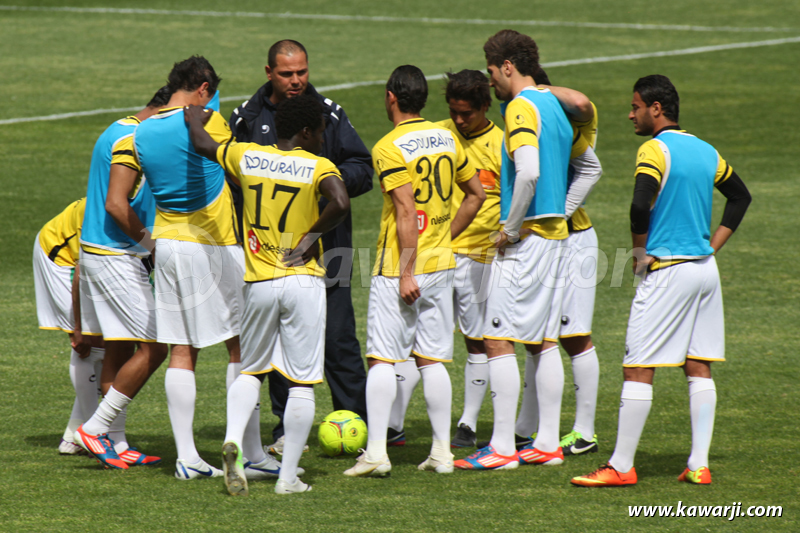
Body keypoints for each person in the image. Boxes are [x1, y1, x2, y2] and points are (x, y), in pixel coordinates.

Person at [572, 75, 751, 487]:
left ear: (656, 108)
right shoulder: (707, 150)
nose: (630, 113)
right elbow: (740, 197)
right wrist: (712, 245)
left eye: (635, 106)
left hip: (668, 271)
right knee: (698, 366)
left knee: (638, 369)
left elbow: (639, 204)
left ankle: (620, 467)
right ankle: (698, 464)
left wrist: (638, 254)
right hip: (705, 271)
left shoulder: (654, 149)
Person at [186, 94, 351, 495]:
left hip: (258, 282)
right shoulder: (318, 165)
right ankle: (289, 477)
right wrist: (312, 236)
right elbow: (341, 201)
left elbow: (205, 145)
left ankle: (233, 439)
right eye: (322, 131)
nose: (324, 138)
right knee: (301, 383)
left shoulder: (247, 156)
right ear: (307, 131)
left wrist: (194, 118)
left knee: (250, 370)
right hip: (302, 280)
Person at [455, 30, 601, 471]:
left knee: (497, 339)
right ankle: (549, 444)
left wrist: (510, 228)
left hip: (529, 240)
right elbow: (590, 166)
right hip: (557, 236)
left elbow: (529, 173)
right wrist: (560, 210)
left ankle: (501, 448)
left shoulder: (520, 107)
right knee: (542, 342)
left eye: (490, 70)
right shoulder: (554, 107)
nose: (490, 81)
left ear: (507, 66)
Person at [110, 56, 260, 480]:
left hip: (169, 247)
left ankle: (187, 459)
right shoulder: (210, 122)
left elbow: (117, 200)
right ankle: (247, 449)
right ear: (204, 88)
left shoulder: (137, 134)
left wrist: (149, 244)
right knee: (240, 347)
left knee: (181, 350)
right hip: (215, 244)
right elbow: (238, 170)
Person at [229, 40, 372, 454]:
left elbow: (362, 168)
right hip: (269, 252)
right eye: (288, 74)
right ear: (269, 72)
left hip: (333, 246)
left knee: (340, 336)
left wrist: (323, 188)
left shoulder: (329, 112)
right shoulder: (246, 117)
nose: (297, 81)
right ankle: (282, 433)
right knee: (277, 344)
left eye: (302, 72)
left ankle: (356, 424)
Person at [345, 65, 485, 477]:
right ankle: (442, 454)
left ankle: (375, 454)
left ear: (391, 96)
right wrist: (443, 238)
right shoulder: (448, 138)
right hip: (442, 263)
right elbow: (476, 195)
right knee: (433, 360)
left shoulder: (389, 146)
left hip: (399, 268)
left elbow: (406, 210)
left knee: (383, 360)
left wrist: (406, 271)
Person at [386, 69, 503, 449]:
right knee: (409, 339)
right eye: (453, 111)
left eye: (466, 113)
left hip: (478, 255)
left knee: (475, 339)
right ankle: (393, 423)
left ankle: (467, 424)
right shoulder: (437, 135)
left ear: (485, 107)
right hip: (435, 257)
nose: (458, 119)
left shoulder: (502, 145)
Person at [73, 87, 172, 469]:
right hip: (115, 253)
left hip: (101, 250)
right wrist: (150, 244)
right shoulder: (133, 139)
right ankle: (94, 429)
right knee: (156, 347)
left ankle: (115, 442)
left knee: (120, 347)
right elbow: (117, 204)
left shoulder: (117, 129)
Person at [512, 67, 603, 457]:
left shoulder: (566, 124)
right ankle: (526, 427)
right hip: (553, 237)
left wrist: (561, 214)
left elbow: (591, 166)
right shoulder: (540, 123)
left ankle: (584, 431)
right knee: (538, 333)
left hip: (574, 237)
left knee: (572, 335)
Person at [33, 198, 105, 455]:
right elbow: (81, 270)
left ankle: (74, 437)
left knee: (107, 347)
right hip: (58, 258)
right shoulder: (104, 211)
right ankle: (95, 435)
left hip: (81, 259)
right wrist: (78, 328)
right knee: (88, 344)